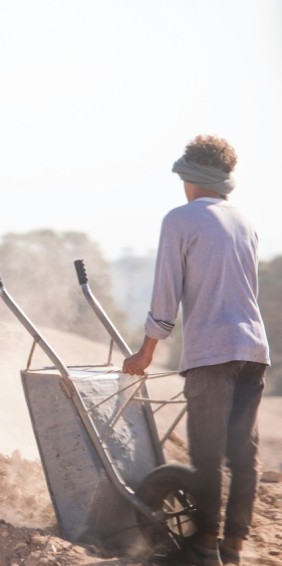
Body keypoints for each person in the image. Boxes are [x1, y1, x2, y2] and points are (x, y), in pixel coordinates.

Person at [122, 135, 270, 565]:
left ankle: (204, 549)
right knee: (243, 455)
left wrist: (146, 352)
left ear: (188, 178)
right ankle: (234, 547)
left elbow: (166, 297)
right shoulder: (245, 221)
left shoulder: (181, 220)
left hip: (213, 352)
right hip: (253, 350)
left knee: (207, 456)